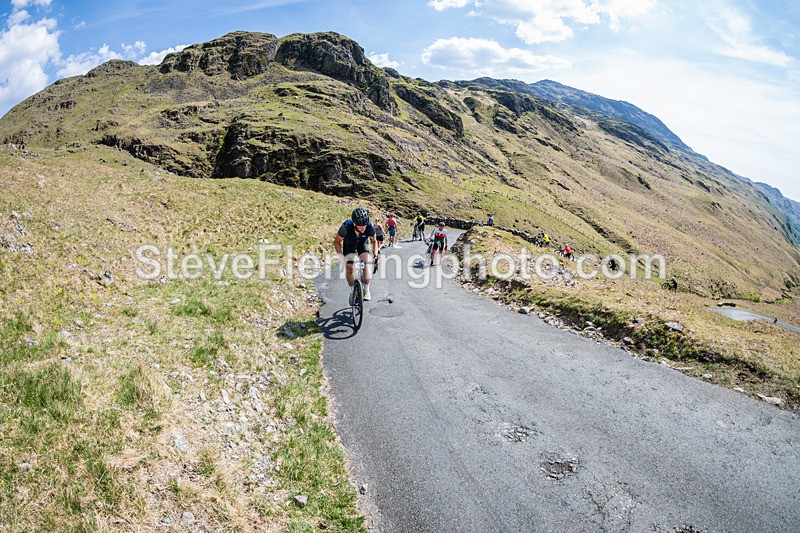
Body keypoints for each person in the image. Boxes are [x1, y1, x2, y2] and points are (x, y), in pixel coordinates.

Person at [334, 207, 378, 302]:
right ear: (354, 224)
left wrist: (375, 256)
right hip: (349, 244)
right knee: (349, 268)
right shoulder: (345, 228)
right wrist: (341, 257)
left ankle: (366, 289)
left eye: (365, 225)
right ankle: (352, 290)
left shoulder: (369, 227)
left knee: (366, 264)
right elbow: (336, 242)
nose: (363, 228)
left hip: (362, 244)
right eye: (361, 226)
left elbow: (374, 241)